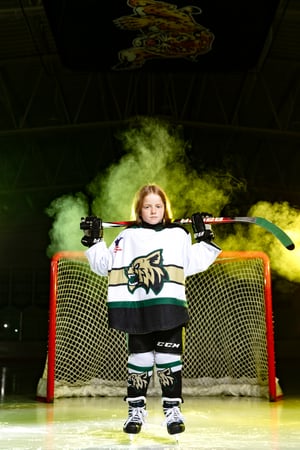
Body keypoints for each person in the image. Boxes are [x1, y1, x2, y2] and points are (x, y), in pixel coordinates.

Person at [80, 183, 221, 437]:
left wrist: (204, 236)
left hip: (168, 308)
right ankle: (135, 410)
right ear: (139, 209)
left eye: (158, 206)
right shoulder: (128, 236)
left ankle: (173, 411)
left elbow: (194, 262)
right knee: (140, 360)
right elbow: (106, 266)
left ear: (165, 208)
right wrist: (95, 240)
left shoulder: (177, 234)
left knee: (169, 361)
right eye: (147, 206)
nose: (153, 210)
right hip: (138, 309)